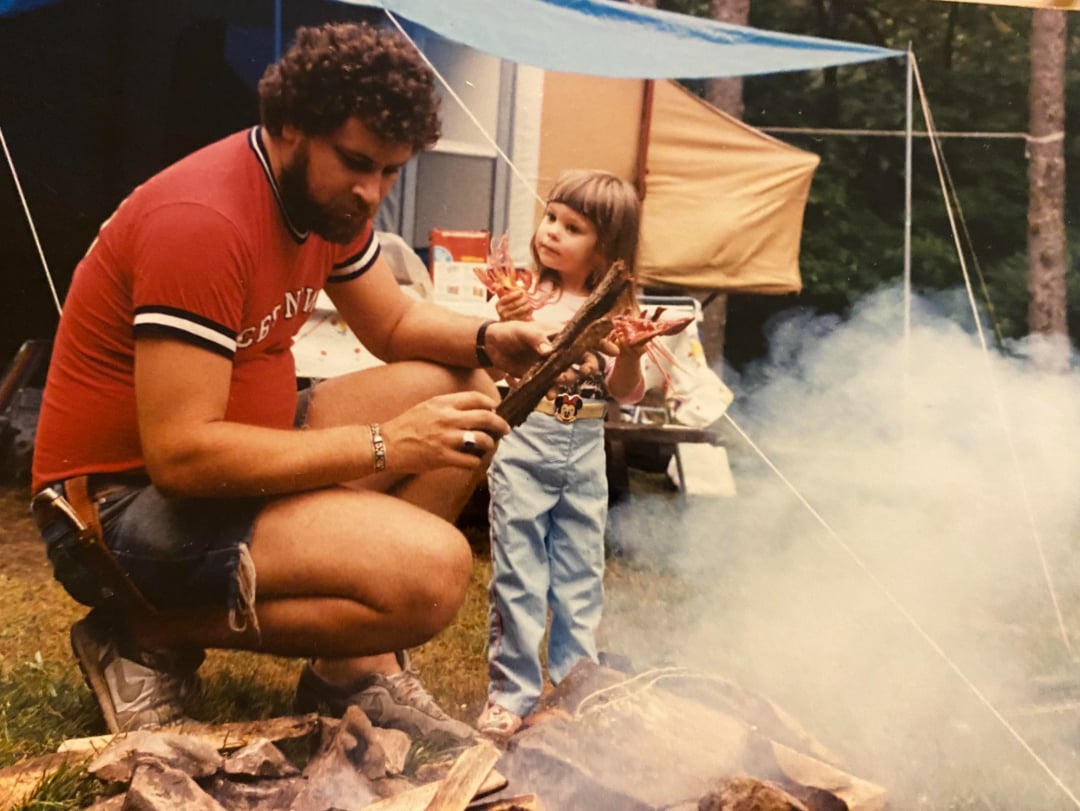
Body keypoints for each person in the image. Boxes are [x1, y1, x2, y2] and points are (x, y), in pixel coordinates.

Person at [29, 21, 557, 740]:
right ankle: (140, 634)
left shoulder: (324, 202)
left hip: (236, 456)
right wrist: (384, 444)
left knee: (461, 388)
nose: (373, 192)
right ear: (287, 126)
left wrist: (494, 339)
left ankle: (348, 669)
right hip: (115, 511)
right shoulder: (205, 220)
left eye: (392, 171)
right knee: (433, 574)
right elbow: (181, 457)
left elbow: (395, 325)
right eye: (358, 162)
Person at [476, 170, 647, 741]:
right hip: (527, 440)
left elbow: (627, 392)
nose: (551, 232)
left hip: (584, 450)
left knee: (579, 573)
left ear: (607, 251)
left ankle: (577, 683)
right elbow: (502, 359)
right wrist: (511, 317)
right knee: (519, 573)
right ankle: (512, 691)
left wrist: (628, 354)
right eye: (551, 217)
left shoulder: (617, 311)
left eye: (572, 228)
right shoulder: (522, 295)